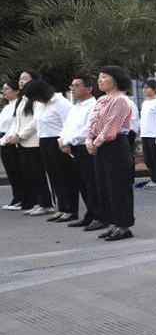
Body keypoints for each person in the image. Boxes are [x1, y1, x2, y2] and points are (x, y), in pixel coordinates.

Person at [86, 66, 135, 241]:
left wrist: (96, 142)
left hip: (115, 146)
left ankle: (123, 227)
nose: (99, 80)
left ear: (115, 80)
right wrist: (89, 139)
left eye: (104, 77)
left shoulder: (120, 101)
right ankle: (113, 224)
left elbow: (111, 127)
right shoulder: (101, 100)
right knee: (104, 187)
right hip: (101, 146)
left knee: (118, 187)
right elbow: (93, 123)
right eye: (99, 77)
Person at [24, 78, 77, 222]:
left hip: (59, 141)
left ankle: (71, 209)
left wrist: (65, 141)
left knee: (65, 176)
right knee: (54, 176)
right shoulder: (40, 105)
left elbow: (69, 124)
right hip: (44, 141)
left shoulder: (61, 103)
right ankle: (61, 207)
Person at [4, 71, 53, 216]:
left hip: (33, 143)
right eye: (20, 79)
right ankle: (37, 203)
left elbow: (35, 122)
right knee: (29, 175)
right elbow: (16, 121)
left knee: (38, 175)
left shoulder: (36, 100)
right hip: (22, 143)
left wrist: (20, 135)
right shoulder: (22, 100)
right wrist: (12, 135)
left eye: (25, 78)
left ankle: (46, 204)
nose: (21, 81)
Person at [59, 76, 104, 230]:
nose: (73, 89)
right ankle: (90, 215)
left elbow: (89, 129)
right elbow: (67, 126)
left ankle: (100, 216)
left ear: (89, 88)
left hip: (86, 148)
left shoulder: (94, 106)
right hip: (74, 148)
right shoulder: (75, 107)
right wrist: (62, 139)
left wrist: (67, 140)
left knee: (92, 184)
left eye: (77, 86)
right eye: (72, 86)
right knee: (82, 184)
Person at [0, 80, 24, 210]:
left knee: (17, 171)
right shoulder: (7, 106)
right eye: (3, 89)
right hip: (3, 141)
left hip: (11, 141)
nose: (3, 91)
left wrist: (6, 139)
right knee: (11, 172)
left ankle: (21, 198)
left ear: (17, 91)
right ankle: (17, 197)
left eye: (7, 89)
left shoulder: (19, 105)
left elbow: (14, 125)